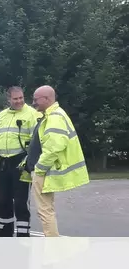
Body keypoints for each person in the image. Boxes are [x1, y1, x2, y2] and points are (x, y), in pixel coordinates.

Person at [22, 85, 89, 237]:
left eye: (35, 99)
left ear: (47, 99)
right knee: (46, 211)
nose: (33, 103)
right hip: (44, 171)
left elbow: (54, 147)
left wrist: (39, 168)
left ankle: (53, 250)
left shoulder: (55, 117)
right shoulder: (52, 115)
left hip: (43, 172)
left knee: (45, 212)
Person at [0, 86, 41, 237]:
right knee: (3, 201)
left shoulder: (32, 114)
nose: (19, 101)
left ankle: (23, 236)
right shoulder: (2, 115)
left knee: (21, 203)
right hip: (3, 163)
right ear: (8, 99)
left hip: (20, 163)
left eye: (21, 98)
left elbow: (36, 142)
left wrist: (28, 162)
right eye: (15, 99)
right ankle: (5, 234)